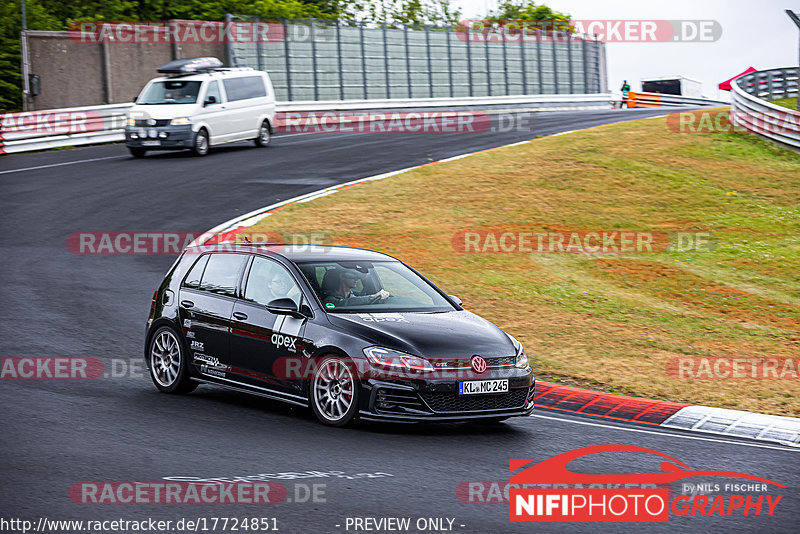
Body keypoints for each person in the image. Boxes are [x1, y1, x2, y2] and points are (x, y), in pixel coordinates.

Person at [323, 269, 389, 308]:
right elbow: (345, 303)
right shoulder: (329, 300)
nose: (356, 279)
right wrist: (372, 297)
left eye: (357, 277)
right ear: (342, 276)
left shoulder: (354, 297)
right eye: (353, 276)